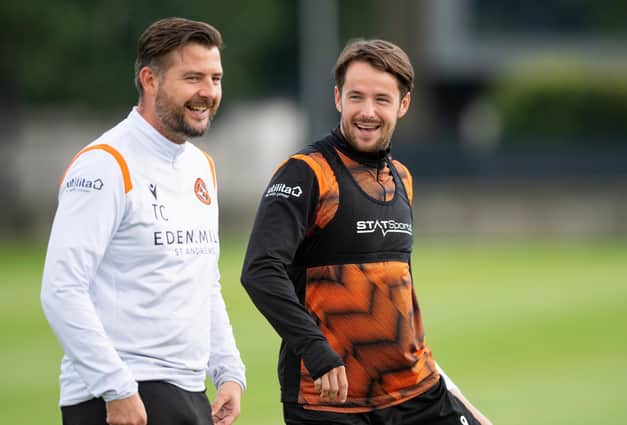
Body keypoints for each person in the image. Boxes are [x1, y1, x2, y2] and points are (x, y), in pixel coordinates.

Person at [241, 39, 492, 425]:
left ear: (403, 105)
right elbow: (260, 269)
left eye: (382, 99)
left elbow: (398, 301)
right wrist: (317, 351)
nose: (368, 112)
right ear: (338, 98)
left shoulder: (401, 178)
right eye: (356, 97)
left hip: (416, 393)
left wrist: (453, 392)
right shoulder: (307, 173)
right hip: (330, 404)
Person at [41, 17, 246, 425]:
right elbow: (61, 288)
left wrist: (228, 371)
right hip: (120, 396)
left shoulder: (200, 166)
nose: (208, 92)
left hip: (187, 391)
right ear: (150, 79)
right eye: (193, 78)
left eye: (215, 78)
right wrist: (115, 388)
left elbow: (203, 280)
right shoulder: (105, 164)